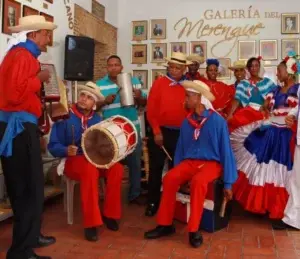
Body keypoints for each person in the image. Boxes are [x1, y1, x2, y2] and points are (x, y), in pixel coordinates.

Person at [144, 80, 237, 247]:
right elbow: (180, 149)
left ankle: (193, 230)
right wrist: (179, 172)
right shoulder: (187, 122)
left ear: (199, 98)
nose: (184, 100)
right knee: (170, 178)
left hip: (211, 163)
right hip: (190, 162)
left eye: (188, 96)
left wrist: (228, 183)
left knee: (198, 182)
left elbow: (226, 152)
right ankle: (165, 224)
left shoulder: (217, 121)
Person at [0, 15, 57, 259]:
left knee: (32, 187)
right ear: (33, 34)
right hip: (19, 130)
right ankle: (20, 250)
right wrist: (38, 80)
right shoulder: (23, 56)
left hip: (22, 128)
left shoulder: (20, 55)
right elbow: (14, 95)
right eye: (45, 33)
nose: (48, 38)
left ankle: (31, 236)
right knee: (26, 189)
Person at [48, 82, 124, 241]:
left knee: (116, 168)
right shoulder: (64, 116)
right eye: (83, 95)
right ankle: (91, 223)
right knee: (90, 170)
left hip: (95, 160)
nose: (84, 99)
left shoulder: (98, 120)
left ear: (94, 104)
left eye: (89, 97)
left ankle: (110, 214)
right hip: (73, 161)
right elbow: (53, 145)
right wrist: (65, 150)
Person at [231, 55, 299, 227]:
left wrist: (291, 119)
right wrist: (265, 112)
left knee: (282, 172)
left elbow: (295, 111)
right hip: (272, 133)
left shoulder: (296, 90)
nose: (277, 73)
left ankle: (281, 210)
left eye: (280, 70)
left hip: (285, 136)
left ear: (289, 72)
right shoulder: (276, 90)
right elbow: (264, 106)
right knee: (266, 169)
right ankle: (267, 206)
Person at [96, 55, 147, 205]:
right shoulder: (99, 85)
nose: (113, 67)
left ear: (121, 67)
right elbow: (93, 107)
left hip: (132, 129)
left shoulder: (134, 81)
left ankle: (134, 194)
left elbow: (144, 104)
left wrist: (138, 97)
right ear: (107, 68)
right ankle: (111, 197)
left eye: (116, 65)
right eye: (110, 65)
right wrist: (103, 101)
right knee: (110, 165)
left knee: (135, 164)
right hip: (110, 132)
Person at [145, 52, 191, 217]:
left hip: (180, 134)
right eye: (171, 67)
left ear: (184, 68)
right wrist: (156, 132)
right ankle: (152, 202)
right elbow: (151, 111)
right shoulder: (159, 83)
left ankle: (171, 204)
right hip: (161, 132)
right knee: (156, 169)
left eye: (177, 67)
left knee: (175, 171)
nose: (174, 70)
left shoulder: (188, 86)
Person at [227, 57, 277, 126]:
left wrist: (266, 105)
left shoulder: (267, 82)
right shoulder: (243, 83)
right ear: (248, 68)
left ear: (259, 67)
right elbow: (237, 99)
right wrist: (230, 114)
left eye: (256, 66)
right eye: (251, 66)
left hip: (264, 114)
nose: (254, 68)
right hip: (249, 115)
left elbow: (276, 95)